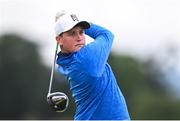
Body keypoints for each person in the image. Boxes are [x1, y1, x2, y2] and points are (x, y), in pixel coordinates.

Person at [54, 10, 130, 120]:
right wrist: (83, 24)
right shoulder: (86, 58)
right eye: (72, 33)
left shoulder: (64, 63)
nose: (79, 37)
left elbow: (63, 54)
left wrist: (66, 23)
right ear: (59, 39)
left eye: (81, 32)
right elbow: (106, 34)